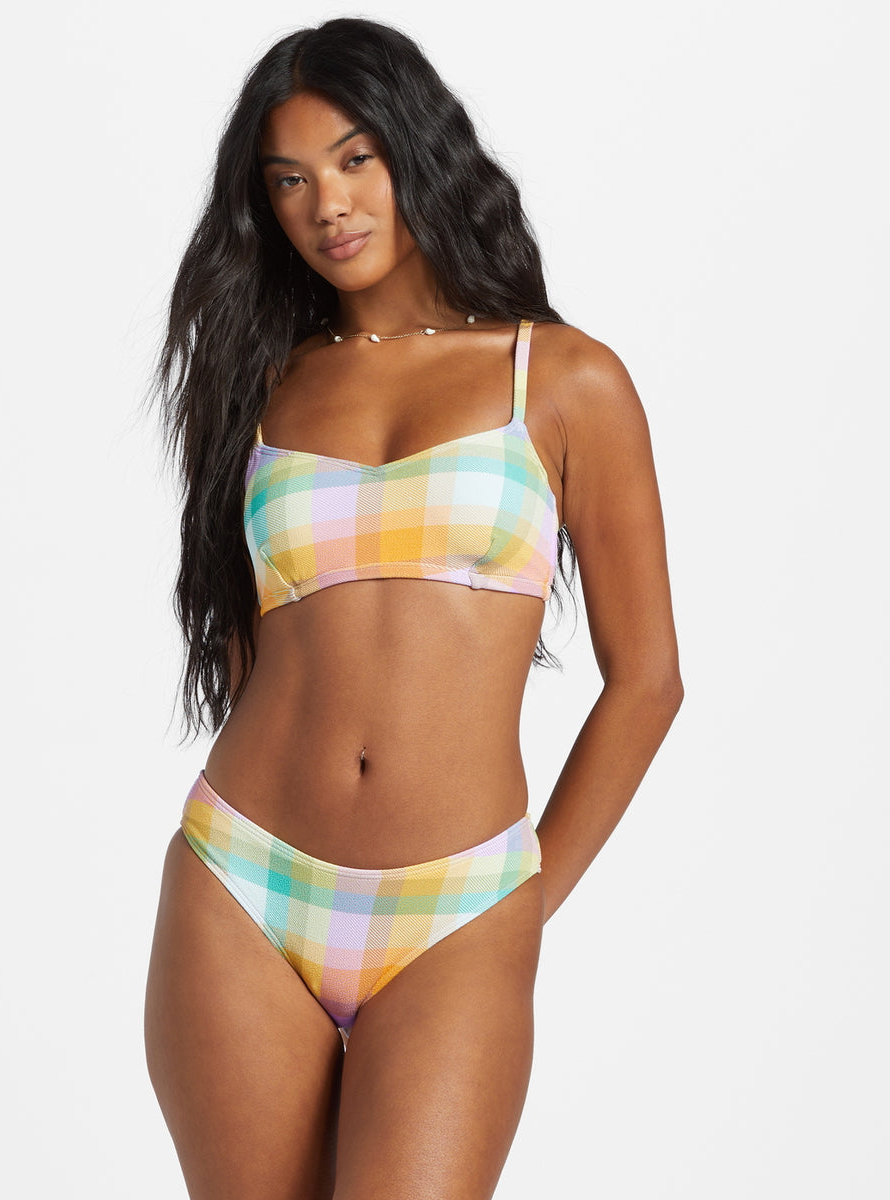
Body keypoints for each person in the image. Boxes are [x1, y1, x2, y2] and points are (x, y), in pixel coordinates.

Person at [143, 16, 683, 1200]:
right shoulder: (264, 383)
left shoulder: (564, 379)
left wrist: (522, 896)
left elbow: (649, 681)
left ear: (417, 149)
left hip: (460, 908)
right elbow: (246, 641)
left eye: (355, 159)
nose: (326, 205)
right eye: (288, 180)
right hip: (242, 884)